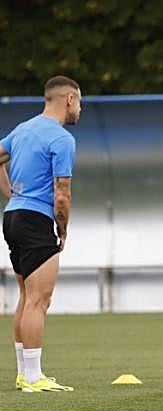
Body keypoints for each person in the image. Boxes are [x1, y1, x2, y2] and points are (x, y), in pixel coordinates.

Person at [1, 76, 81, 394]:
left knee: (25, 297)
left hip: (13, 217)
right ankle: (33, 377)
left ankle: (25, 374)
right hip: (36, 219)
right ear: (70, 99)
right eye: (80, 103)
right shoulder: (61, 139)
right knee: (39, 300)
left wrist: (11, 194)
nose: (80, 110)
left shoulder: (23, 129)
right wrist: (62, 229)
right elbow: (62, 194)